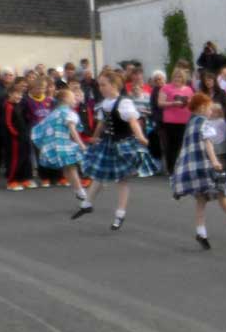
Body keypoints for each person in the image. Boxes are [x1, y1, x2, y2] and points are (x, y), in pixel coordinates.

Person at [71, 71, 159, 230]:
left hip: (123, 143)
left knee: (122, 179)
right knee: (99, 173)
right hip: (108, 143)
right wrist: (95, 137)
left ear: (113, 85)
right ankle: (87, 203)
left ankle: (120, 214)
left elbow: (133, 122)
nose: (101, 88)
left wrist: (141, 137)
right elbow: (102, 123)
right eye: (99, 85)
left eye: (103, 84)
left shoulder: (124, 103)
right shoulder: (105, 103)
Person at [170, 92, 226, 249]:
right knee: (221, 190)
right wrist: (215, 161)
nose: (211, 112)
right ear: (202, 108)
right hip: (203, 163)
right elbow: (208, 143)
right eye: (209, 109)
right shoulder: (204, 123)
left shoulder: (191, 122)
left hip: (191, 165)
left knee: (201, 198)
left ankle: (201, 231)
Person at [30, 88, 89, 200]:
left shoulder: (54, 113)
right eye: (73, 97)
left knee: (67, 168)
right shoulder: (68, 113)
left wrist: (45, 142)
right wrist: (81, 144)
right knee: (71, 167)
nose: (75, 99)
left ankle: (77, 189)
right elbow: (72, 130)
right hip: (64, 144)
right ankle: (80, 191)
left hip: (56, 144)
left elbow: (41, 127)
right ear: (65, 99)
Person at [158, 67, 194, 175]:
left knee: (182, 145)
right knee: (172, 145)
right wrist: (173, 103)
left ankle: (181, 167)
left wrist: (188, 103)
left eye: (180, 77)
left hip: (184, 121)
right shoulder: (166, 88)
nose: (177, 79)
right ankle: (171, 168)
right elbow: (160, 103)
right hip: (170, 121)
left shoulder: (188, 89)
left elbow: (192, 103)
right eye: (176, 76)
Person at [3, 79, 34, 191]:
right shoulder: (8, 106)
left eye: (20, 94)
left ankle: (24, 178)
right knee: (16, 159)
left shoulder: (19, 105)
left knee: (25, 157)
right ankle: (12, 181)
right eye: (16, 94)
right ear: (10, 94)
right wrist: (15, 134)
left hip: (23, 135)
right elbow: (8, 123)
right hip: (15, 138)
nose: (18, 96)